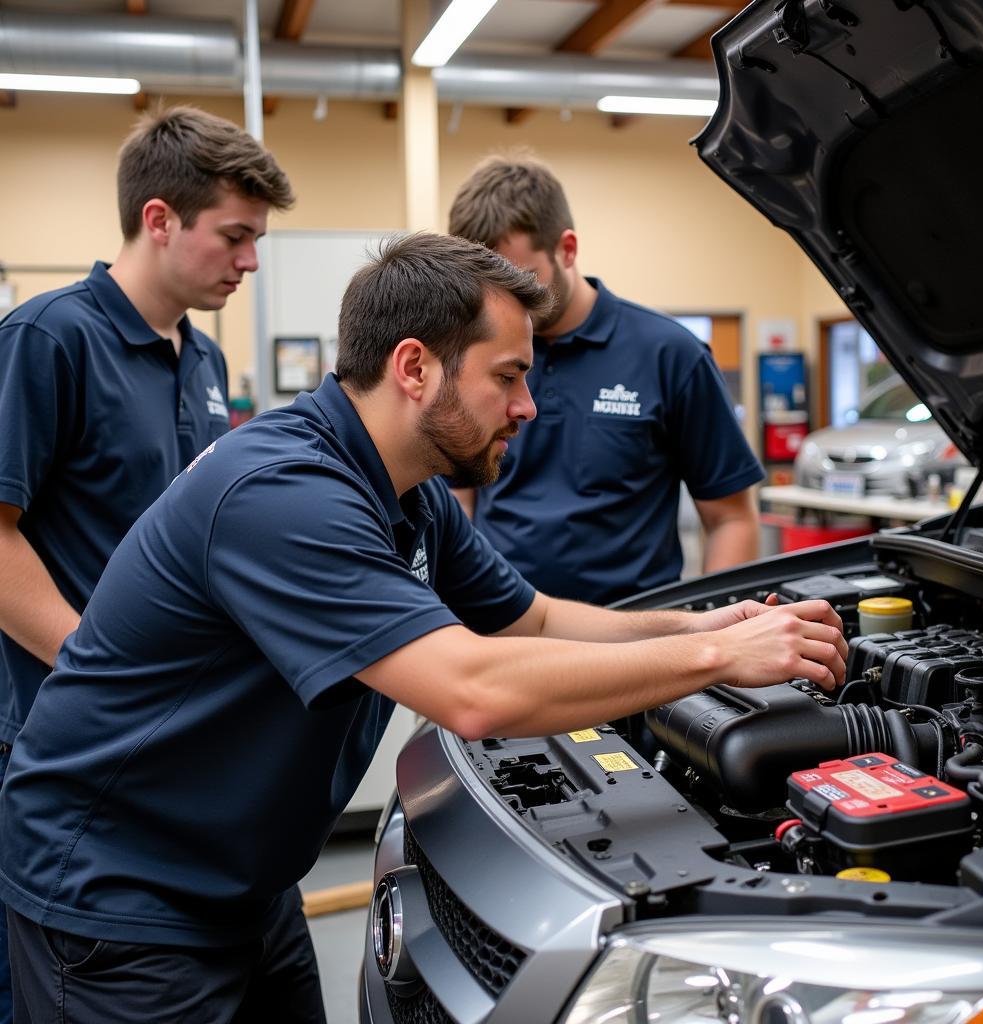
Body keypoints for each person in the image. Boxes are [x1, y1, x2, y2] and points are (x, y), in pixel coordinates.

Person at [0, 233, 846, 1022]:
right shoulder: (284, 494)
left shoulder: (409, 493)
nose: (528, 407)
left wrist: (703, 622)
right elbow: (472, 690)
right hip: (120, 898)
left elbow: (534, 620)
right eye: (508, 377)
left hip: (241, 880)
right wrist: (714, 657)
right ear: (415, 367)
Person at [0, 105, 294, 1022]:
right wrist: (101, 666)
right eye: (235, 237)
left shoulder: (202, 360)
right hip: (62, 744)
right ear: (160, 219)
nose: (249, 262)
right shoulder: (50, 340)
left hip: (168, 750)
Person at [447, 155, 765, 605]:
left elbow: (731, 518)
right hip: (505, 631)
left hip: (637, 636)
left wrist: (713, 635)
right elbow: (459, 501)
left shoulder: (670, 354)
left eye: (522, 280)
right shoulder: (473, 357)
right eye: (486, 286)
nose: (505, 304)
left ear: (567, 249)